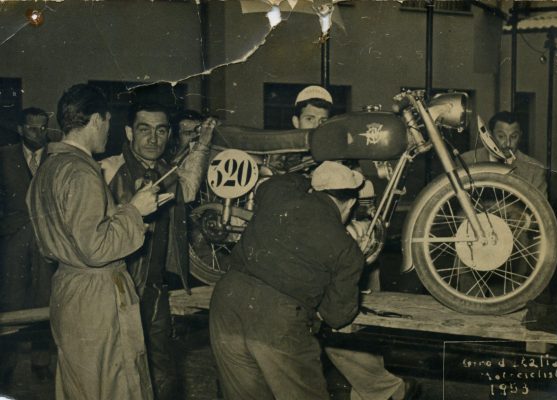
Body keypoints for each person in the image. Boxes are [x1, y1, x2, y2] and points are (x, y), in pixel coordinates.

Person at [26, 84, 158, 400]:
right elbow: (95, 248)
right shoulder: (80, 171)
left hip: (68, 291)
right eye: (108, 122)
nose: (107, 131)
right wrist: (134, 212)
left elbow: (57, 240)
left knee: (80, 387)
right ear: (97, 119)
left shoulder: (48, 168)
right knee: (112, 386)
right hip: (96, 299)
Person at [289, 85, 419, 400]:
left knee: (361, 333)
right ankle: (387, 391)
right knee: (339, 332)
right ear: (296, 122)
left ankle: (379, 393)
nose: (317, 127)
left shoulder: (349, 160)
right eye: (309, 119)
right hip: (318, 265)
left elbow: (370, 204)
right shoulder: (286, 162)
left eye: (323, 121)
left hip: (356, 257)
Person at [210, 161, 365, 400]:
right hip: (277, 322)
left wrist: (308, 179)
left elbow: (272, 183)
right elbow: (337, 316)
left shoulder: (279, 194)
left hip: (226, 303)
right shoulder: (347, 249)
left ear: (314, 189)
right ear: (351, 204)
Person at [100, 102, 212, 399]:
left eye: (161, 131)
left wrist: (202, 146)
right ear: (128, 132)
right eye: (144, 130)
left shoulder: (167, 172)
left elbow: (187, 191)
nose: (153, 139)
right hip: (114, 287)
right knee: (116, 368)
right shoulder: (108, 170)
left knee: (161, 368)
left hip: (154, 289)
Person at [0, 107, 57, 384]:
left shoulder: (56, 156)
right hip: (12, 240)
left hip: (45, 240)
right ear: (21, 129)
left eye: (44, 127)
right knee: (10, 303)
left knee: (44, 298)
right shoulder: (4, 156)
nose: (39, 133)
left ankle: (40, 362)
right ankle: (6, 363)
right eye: (33, 128)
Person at [461, 111, 547, 195]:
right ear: (490, 135)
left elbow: (541, 208)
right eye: (501, 136)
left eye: (514, 137)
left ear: (520, 136)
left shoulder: (535, 171)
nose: (508, 143)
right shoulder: (466, 161)